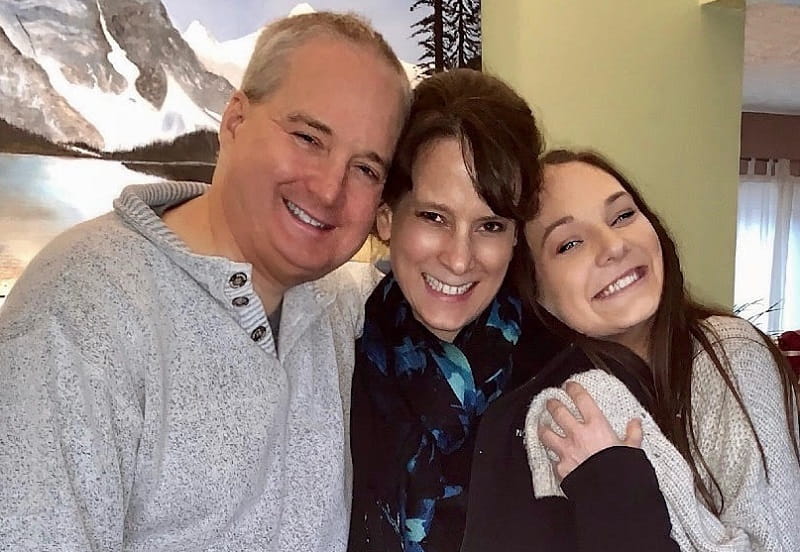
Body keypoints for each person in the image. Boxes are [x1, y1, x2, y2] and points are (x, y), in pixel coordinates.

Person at [0, 12, 410, 551]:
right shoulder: (78, 311)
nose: (330, 189)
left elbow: (453, 280)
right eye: (309, 137)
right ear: (235, 120)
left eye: (366, 169)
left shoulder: (340, 304)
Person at [463, 149, 800, 551]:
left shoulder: (729, 355)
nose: (613, 246)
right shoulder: (545, 412)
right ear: (534, 290)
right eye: (569, 244)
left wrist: (614, 485)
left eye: (623, 216)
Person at [347, 68, 544, 552]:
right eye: (435, 217)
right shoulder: (334, 360)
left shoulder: (560, 381)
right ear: (387, 217)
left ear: (516, 235)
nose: (459, 258)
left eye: (490, 225)